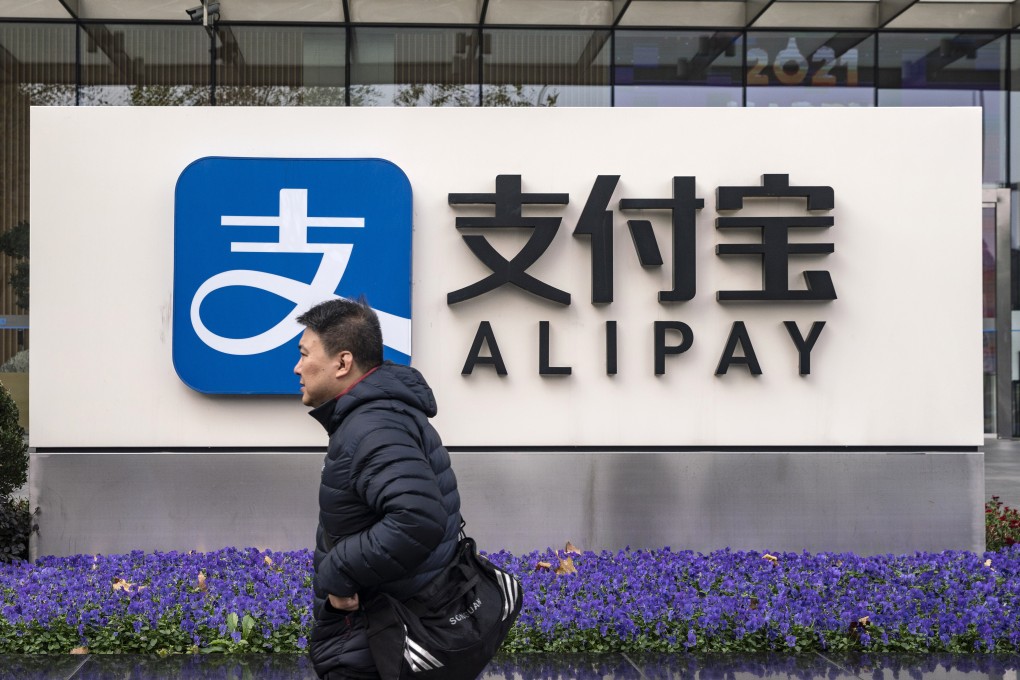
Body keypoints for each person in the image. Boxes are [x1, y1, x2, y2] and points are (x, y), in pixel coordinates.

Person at [295, 297, 462, 680]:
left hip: (381, 638)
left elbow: (417, 518)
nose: (298, 367)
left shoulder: (373, 426)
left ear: (343, 362)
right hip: (385, 630)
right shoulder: (375, 414)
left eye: (305, 354)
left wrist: (338, 571)